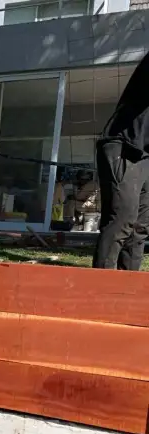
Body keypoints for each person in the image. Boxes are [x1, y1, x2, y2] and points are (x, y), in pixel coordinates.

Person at [93, 51, 149, 270]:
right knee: (122, 220)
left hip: (145, 155)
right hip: (123, 144)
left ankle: (128, 290)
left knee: (139, 228)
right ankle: (101, 289)